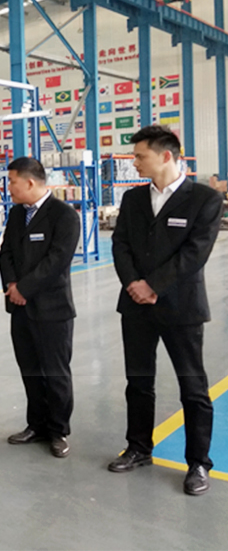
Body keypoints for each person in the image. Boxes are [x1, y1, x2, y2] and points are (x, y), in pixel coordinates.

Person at [109, 125, 223, 496]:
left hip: (181, 308)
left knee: (193, 388)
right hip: (136, 306)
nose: (135, 163)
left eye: (140, 156)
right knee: (138, 382)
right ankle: (139, 447)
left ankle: (198, 463)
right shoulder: (133, 199)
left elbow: (195, 253)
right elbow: (120, 245)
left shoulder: (204, 199)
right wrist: (134, 284)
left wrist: (153, 286)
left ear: (166, 156)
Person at [0, 157, 80, 458]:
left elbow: (57, 261)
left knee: (55, 373)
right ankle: (36, 425)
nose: (8, 188)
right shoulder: (17, 214)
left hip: (52, 309)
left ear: (30, 182)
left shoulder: (64, 215)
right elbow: (5, 252)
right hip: (20, 308)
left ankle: (58, 430)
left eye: (12, 182)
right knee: (30, 370)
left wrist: (24, 288)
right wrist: (11, 285)